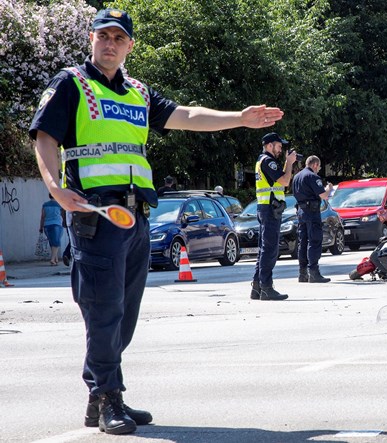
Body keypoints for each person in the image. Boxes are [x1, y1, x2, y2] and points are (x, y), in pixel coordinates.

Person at [29, 8, 283, 436]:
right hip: (95, 214)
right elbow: (45, 137)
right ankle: (109, 395)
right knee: (103, 311)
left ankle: (102, 396)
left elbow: (187, 115)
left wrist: (239, 118)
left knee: (124, 313)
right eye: (102, 36)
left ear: (129, 45)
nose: (109, 44)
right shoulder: (71, 83)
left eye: (118, 38)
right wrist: (54, 187)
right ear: (91, 39)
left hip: (136, 216)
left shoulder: (138, 93)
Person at [250, 132, 297, 301]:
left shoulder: (262, 160)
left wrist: (286, 162)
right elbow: (285, 182)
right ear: (269, 145)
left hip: (266, 208)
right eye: (278, 146)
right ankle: (266, 288)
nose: (280, 149)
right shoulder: (268, 162)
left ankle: (257, 287)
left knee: (264, 249)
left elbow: (279, 182)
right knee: (270, 249)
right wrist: (289, 163)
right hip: (270, 209)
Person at [292, 155, 333, 283]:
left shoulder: (296, 177)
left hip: (301, 212)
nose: (318, 169)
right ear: (315, 164)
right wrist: (329, 188)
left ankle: (302, 273)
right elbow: (324, 195)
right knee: (314, 240)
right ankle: (314, 272)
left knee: (302, 242)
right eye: (319, 167)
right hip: (312, 212)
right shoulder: (312, 176)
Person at [39, 194, 63, 265]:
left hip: (47, 225)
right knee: (56, 241)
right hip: (57, 224)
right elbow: (63, 215)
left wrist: (41, 227)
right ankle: (52, 259)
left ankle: (55, 259)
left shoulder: (45, 205)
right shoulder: (59, 204)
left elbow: (42, 217)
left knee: (52, 241)